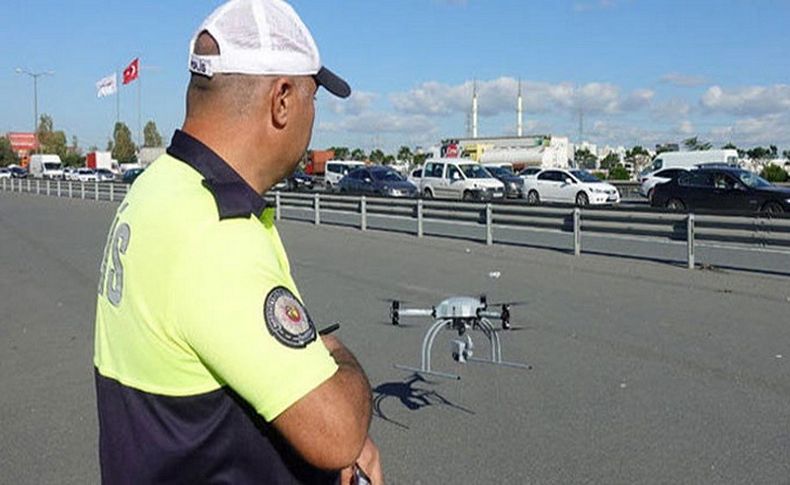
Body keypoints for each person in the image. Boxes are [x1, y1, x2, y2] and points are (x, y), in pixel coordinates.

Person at [93, 0, 381, 483]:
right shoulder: (215, 232)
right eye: (315, 98)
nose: (314, 119)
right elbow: (338, 434)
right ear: (283, 99)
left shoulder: (158, 187)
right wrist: (335, 353)